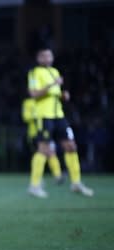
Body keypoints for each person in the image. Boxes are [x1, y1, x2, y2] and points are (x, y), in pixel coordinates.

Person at [26, 46, 93, 198]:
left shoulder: (55, 72)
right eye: (44, 56)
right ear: (39, 59)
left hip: (59, 115)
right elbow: (34, 94)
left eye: (49, 56)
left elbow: (54, 94)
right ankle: (34, 186)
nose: (47, 58)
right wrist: (51, 85)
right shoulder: (35, 72)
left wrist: (63, 95)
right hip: (44, 116)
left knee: (71, 146)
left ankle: (76, 183)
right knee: (43, 149)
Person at [21, 97, 63, 184]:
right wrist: (38, 114)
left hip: (46, 130)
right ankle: (38, 178)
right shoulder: (28, 102)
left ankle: (57, 175)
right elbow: (25, 117)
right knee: (40, 153)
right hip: (34, 134)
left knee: (50, 152)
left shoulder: (45, 101)